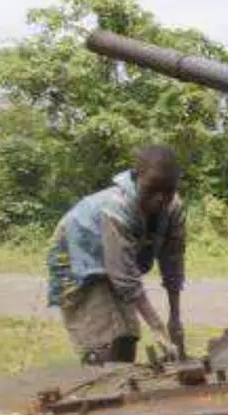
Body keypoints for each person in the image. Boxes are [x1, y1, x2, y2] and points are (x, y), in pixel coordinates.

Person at [45, 145, 185, 364]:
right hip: (77, 261)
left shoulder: (173, 207)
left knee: (127, 336)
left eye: (167, 191)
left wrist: (174, 320)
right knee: (105, 343)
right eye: (151, 190)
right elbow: (125, 277)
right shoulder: (116, 208)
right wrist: (157, 327)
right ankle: (100, 387)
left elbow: (172, 262)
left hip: (116, 263)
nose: (160, 199)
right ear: (137, 178)